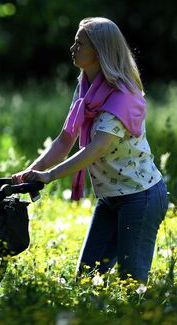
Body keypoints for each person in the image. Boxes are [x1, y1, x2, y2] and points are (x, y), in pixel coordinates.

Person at [12, 17, 168, 282]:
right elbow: (65, 139)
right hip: (110, 196)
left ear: (98, 51)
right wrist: (32, 171)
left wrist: (50, 177)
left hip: (140, 197)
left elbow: (95, 150)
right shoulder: (86, 86)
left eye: (79, 43)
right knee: (86, 278)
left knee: (131, 282)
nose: (72, 48)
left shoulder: (122, 96)